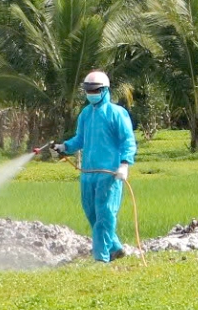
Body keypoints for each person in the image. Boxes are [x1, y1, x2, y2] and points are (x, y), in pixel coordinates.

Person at [53, 71, 137, 263]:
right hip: (88, 174)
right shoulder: (85, 114)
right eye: (88, 90)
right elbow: (80, 139)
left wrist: (124, 164)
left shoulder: (117, 113)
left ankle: (101, 259)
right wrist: (65, 147)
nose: (91, 93)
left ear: (105, 90)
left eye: (95, 90)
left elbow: (128, 141)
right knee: (92, 213)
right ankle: (115, 248)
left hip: (109, 174)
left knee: (105, 215)